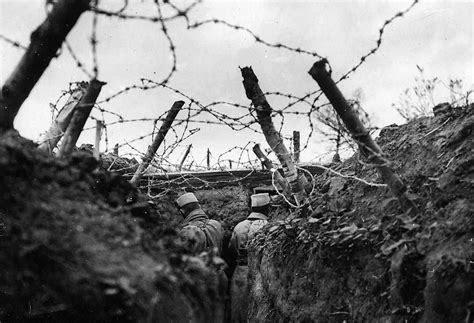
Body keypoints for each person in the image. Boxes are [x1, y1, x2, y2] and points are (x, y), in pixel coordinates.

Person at [228, 193, 270, 323]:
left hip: (240, 271)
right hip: (260, 272)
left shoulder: (239, 226)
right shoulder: (268, 226)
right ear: (267, 208)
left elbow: (230, 250)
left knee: (238, 308)